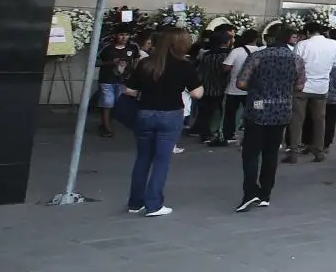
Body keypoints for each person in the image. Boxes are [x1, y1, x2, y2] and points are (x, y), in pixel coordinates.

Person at [122, 27, 201, 217]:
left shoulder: (145, 63)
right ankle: (154, 204)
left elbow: (129, 91)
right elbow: (197, 93)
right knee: (161, 160)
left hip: (145, 113)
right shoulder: (184, 65)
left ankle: (135, 202)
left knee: (143, 158)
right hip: (171, 114)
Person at [234, 23, 302, 212]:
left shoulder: (257, 56)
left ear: (270, 38)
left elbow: (241, 83)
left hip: (259, 106)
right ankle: (265, 193)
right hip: (282, 108)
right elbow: (300, 86)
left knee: (251, 152)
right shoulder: (296, 59)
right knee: (271, 152)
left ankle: (250, 192)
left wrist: (258, 87)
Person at [291, 24, 336, 161]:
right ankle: (319, 151)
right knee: (319, 120)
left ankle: (294, 152)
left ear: (307, 32)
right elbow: (335, 64)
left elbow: (295, 65)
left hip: (302, 86)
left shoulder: (302, 44)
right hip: (321, 87)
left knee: (297, 120)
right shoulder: (333, 44)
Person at [210, 28, 258, 147]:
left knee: (229, 114)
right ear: (256, 39)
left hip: (234, 89)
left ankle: (228, 135)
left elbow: (226, 68)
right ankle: (252, 135)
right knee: (255, 112)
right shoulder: (261, 51)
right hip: (255, 91)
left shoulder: (236, 51)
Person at [95, 25, 141, 138]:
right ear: (115, 35)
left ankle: (105, 122)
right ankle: (107, 128)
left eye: (126, 35)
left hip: (123, 80)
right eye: (121, 35)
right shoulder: (106, 47)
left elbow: (137, 60)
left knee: (117, 103)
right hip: (107, 79)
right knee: (107, 102)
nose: (124, 37)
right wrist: (111, 63)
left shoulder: (133, 47)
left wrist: (133, 72)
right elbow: (95, 62)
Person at [192, 28, 233, 142]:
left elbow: (200, 71)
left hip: (206, 86)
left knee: (206, 112)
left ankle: (204, 134)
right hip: (222, 86)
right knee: (221, 112)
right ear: (227, 42)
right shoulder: (228, 55)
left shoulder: (207, 55)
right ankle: (219, 133)